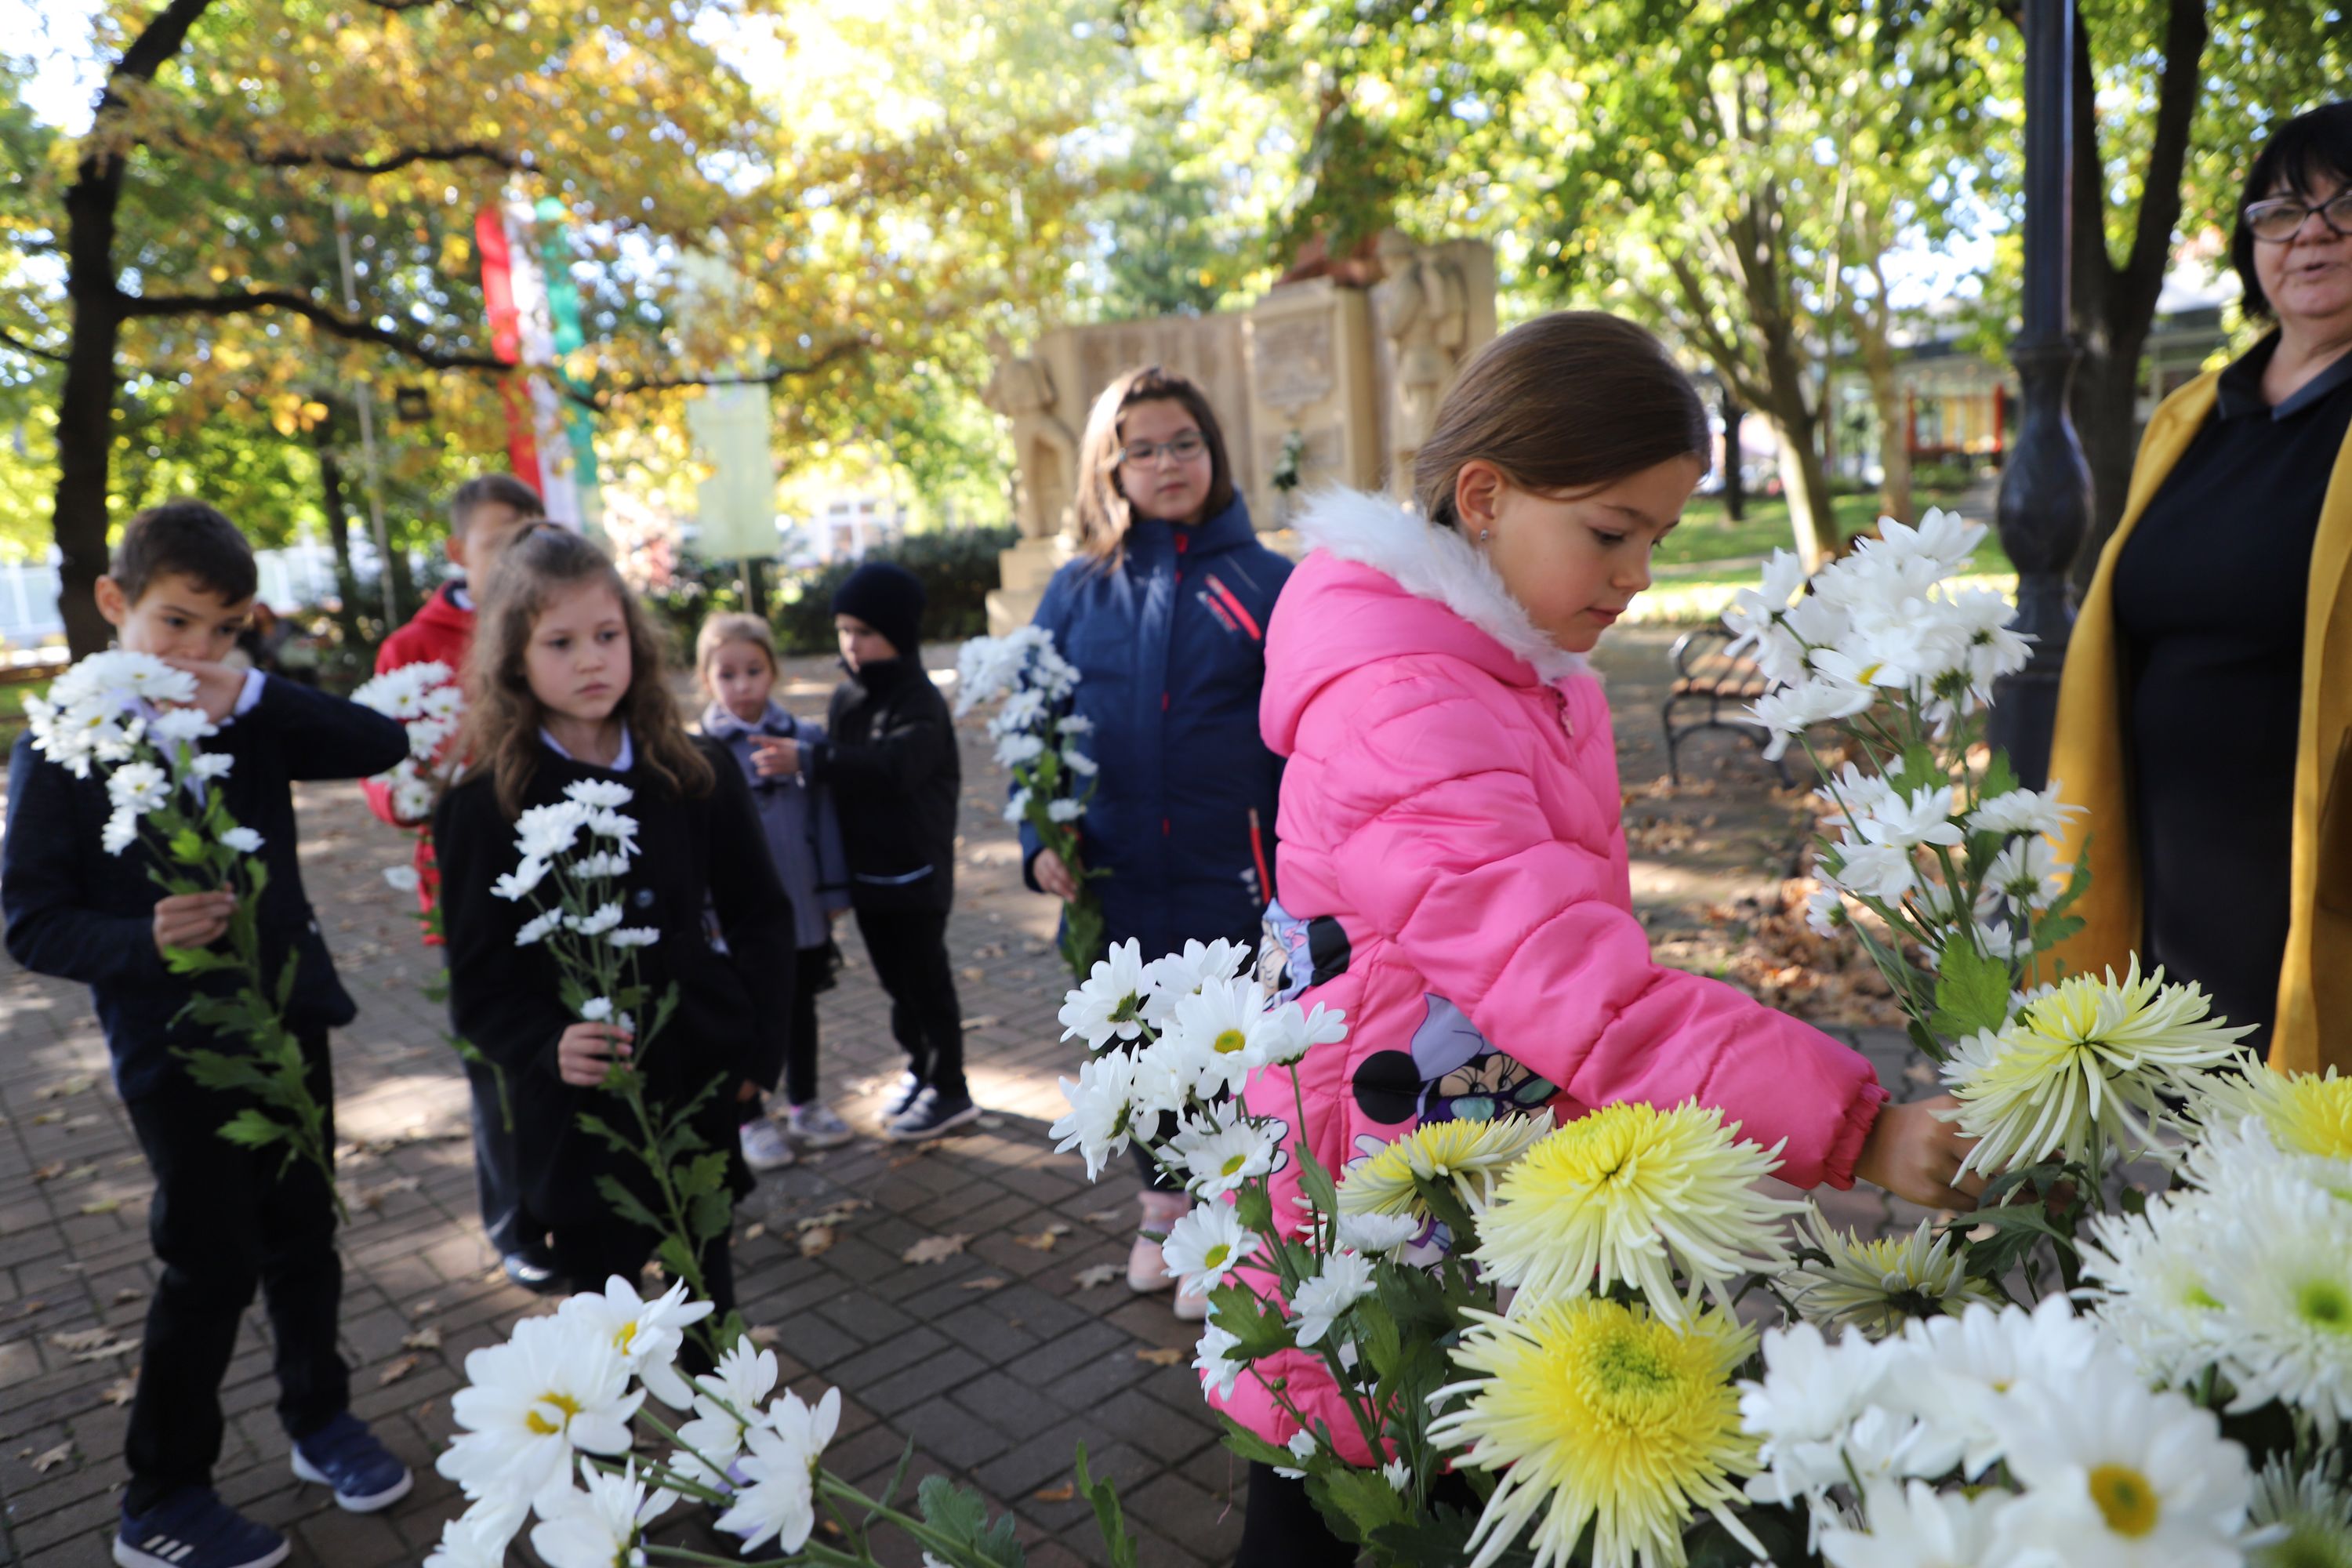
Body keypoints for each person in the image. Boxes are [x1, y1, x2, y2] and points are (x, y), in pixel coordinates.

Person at [1220, 313, 1981, 1565]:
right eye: (1612, 533)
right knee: (1347, 1485)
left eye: (1658, 538)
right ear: (1484, 497)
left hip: (1455, 1157)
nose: (1638, 576)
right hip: (1381, 1204)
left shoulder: (1512, 672)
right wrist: (1860, 1128)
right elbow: (1577, 989)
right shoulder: (1406, 701)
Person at [2, 502, 414, 1568]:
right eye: (176, 622)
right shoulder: (60, 744)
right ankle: (162, 1494)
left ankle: (319, 1418)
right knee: (209, 1262)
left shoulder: (244, 714)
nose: (197, 652)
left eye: (225, 629)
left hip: (287, 1018)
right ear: (113, 602)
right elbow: (30, 922)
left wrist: (255, 689)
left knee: (305, 1233)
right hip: (173, 1050)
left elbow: (384, 742)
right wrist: (143, 937)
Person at [2053, 100, 2352, 1067]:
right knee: (2187, 1130)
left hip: (2317, 879)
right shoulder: (2191, 416)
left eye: (2346, 205)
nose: (2311, 233)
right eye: (2282, 210)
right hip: (2174, 880)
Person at [431, 524, 793, 1316]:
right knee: (607, 1319)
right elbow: (481, 988)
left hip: (697, 1080)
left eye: (607, 635)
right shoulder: (484, 805)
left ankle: (718, 1399)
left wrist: (758, 1052)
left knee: (705, 1296)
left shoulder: (695, 770)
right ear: (514, 658)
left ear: (636, 639)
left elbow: (762, 918)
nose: (591, 660)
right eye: (560, 643)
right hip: (578, 1115)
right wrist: (546, 1043)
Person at [1023, 365, 1292, 1312]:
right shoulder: (1075, 589)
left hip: (1233, 872)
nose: (1167, 462)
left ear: (1214, 450)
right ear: (1110, 467)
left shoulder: (1268, 582)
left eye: (1185, 442)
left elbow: (1302, 734)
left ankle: (1227, 1218)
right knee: (1132, 1047)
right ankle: (1162, 1208)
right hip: (1116, 874)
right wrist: (1037, 836)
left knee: (1227, 1044)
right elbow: (1034, 729)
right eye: (1142, 449)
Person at [361, 474, 551, 1290]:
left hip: (564, 874)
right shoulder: (411, 648)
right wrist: (418, 787)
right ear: (456, 550)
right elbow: (384, 777)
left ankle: (575, 1202)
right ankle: (515, 1223)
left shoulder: (552, 618)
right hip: (467, 888)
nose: (516, 555)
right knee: (497, 1062)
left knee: (568, 1046)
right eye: (499, 540)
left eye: (530, 536)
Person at [760, 561, 975, 1142]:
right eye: (844, 631)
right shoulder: (847, 696)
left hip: (917, 875)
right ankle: (922, 1069)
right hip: (867, 875)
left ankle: (951, 1088)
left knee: (926, 984)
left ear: (898, 633)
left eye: (865, 632)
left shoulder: (920, 701)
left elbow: (893, 768)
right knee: (896, 987)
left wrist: (812, 759)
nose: (851, 644)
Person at [695, 611, 855, 1167]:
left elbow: (826, 820)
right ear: (706, 679)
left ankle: (805, 1103)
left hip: (801, 906)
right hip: (736, 921)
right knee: (744, 1015)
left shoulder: (802, 739)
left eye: (754, 671)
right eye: (727, 674)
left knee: (799, 1009)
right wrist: (705, 914)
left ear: (774, 671)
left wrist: (833, 893)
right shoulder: (699, 754)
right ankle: (749, 1118)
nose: (742, 686)